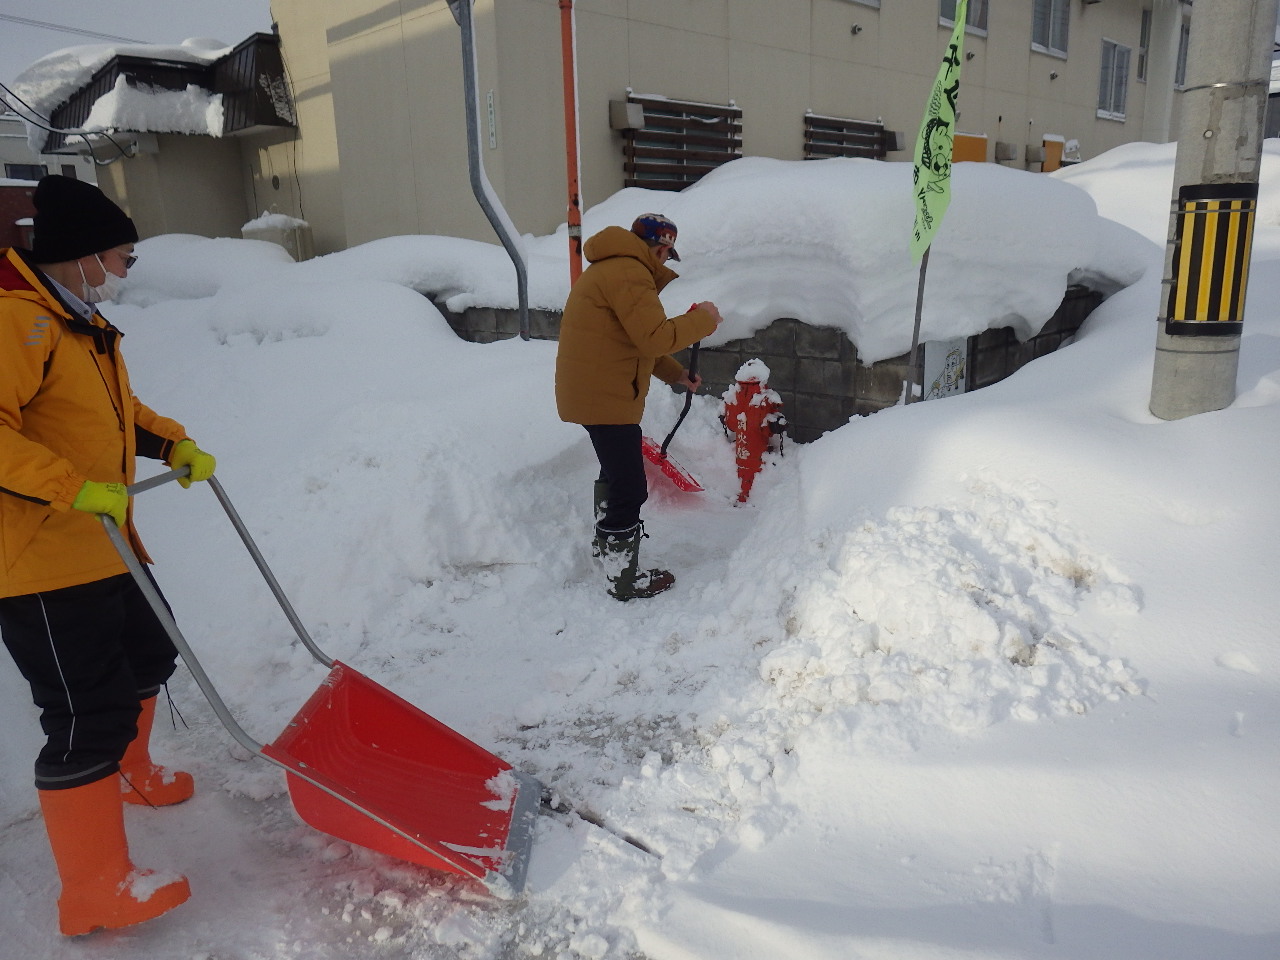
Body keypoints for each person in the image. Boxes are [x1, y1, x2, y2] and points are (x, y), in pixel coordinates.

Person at [0, 175, 216, 936]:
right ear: (85, 256)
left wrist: (172, 442)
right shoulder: (16, 324)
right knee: (84, 711)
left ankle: (134, 774)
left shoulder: (78, 325)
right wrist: (72, 489)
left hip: (107, 544)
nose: (126, 273)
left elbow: (116, 416)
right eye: (123, 258)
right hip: (42, 559)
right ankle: (90, 889)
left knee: (149, 658)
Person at [555, 213, 721, 600]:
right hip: (605, 398)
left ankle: (607, 546)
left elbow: (630, 342)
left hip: (599, 392)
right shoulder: (629, 273)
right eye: (667, 254)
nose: (666, 261)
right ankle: (622, 576)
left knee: (617, 475)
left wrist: (677, 374)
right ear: (662, 248)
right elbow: (653, 337)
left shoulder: (614, 268)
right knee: (629, 485)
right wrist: (703, 320)